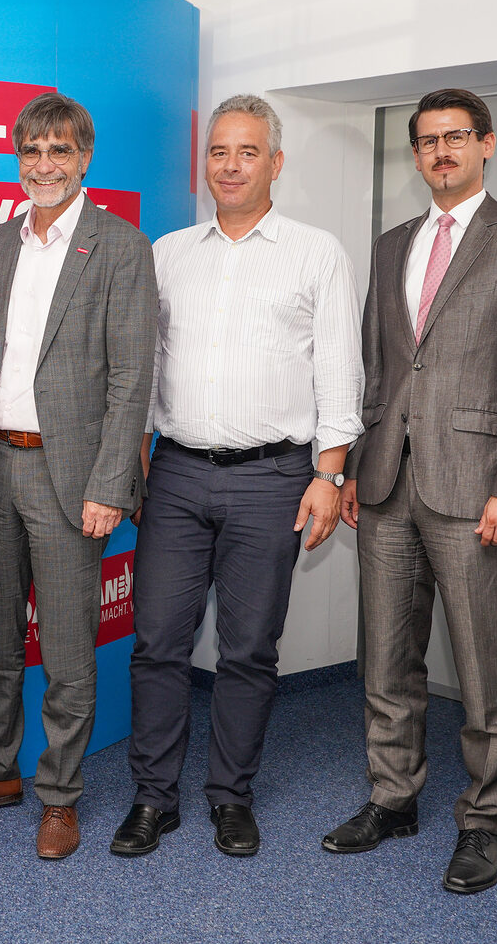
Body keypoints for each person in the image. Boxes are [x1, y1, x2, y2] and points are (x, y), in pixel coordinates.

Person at [323, 88, 497, 895]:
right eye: (427, 141)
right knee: (387, 659)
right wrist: (357, 465)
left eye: (455, 137)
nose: (440, 152)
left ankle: (484, 818)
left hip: (477, 492)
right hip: (388, 483)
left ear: (486, 144)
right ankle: (392, 797)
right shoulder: (392, 243)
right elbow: (377, 370)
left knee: (483, 663)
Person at [115, 94, 363, 860]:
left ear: (275, 163)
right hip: (179, 475)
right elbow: (145, 366)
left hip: (275, 479)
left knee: (249, 648)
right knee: (158, 642)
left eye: (247, 151)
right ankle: (155, 798)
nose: (229, 165)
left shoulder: (316, 251)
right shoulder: (168, 251)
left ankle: (231, 796)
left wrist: (330, 471)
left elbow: (338, 368)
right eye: (219, 151)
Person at [0, 92, 157, 860]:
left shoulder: (120, 245)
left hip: (72, 475)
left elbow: (132, 378)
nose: (44, 165)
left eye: (60, 152)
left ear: (85, 159)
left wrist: (110, 484)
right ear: (18, 158)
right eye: (32, 151)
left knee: (68, 648)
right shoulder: (3, 241)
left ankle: (61, 795)